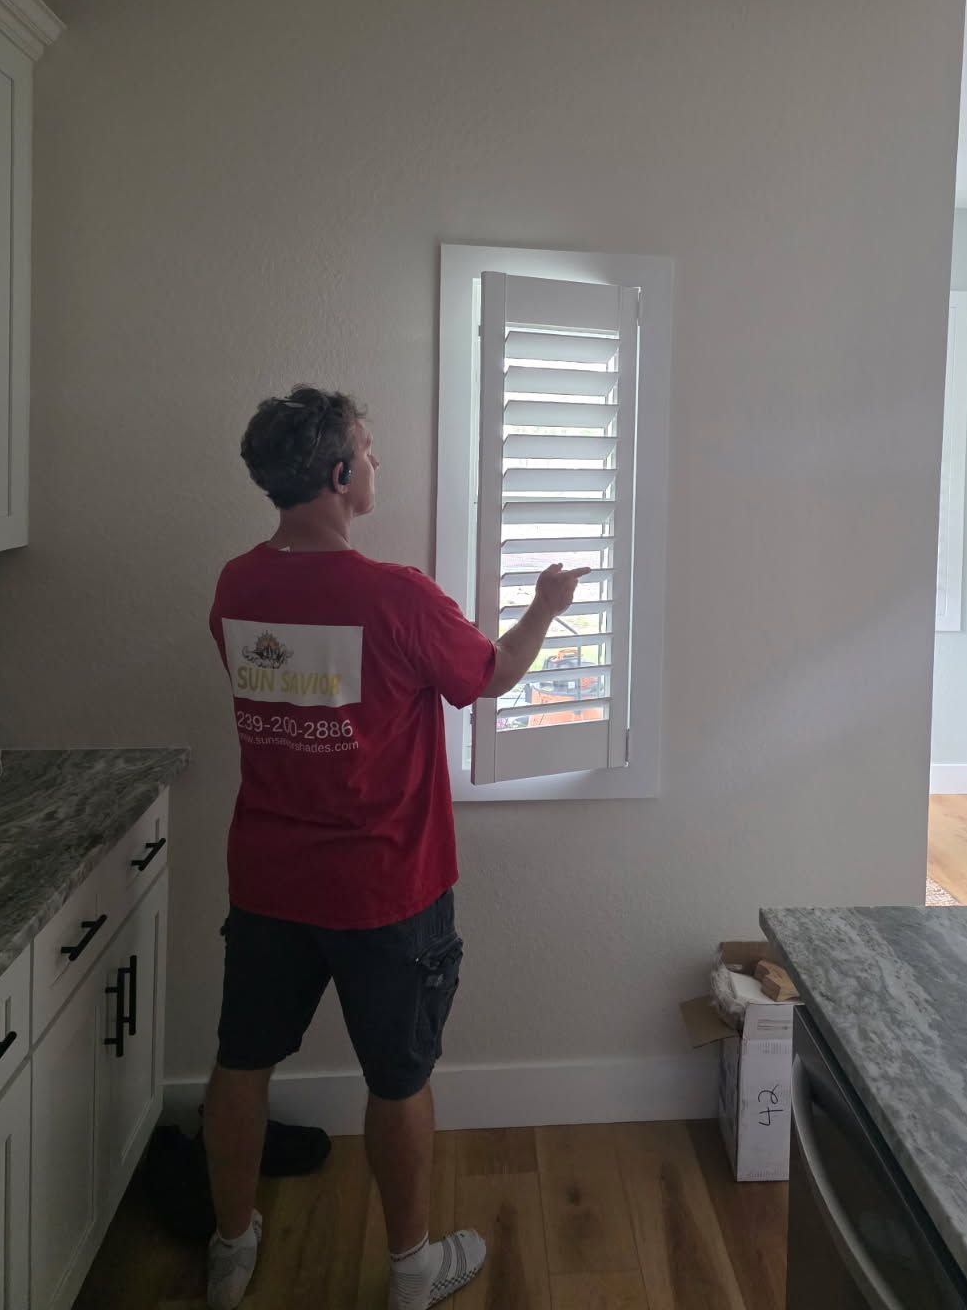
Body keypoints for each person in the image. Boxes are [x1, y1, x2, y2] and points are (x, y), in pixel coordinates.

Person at [204, 385, 586, 1310]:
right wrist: (546, 606)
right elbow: (494, 675)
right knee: (399, 1076)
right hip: (385, 889)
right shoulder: (394, 596)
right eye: (368, 451)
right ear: (339, 475)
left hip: (268, 882)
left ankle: (229, 1249)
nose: (377, 463)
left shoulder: (235, 586)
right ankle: (413, 1270)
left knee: (242, 1063)